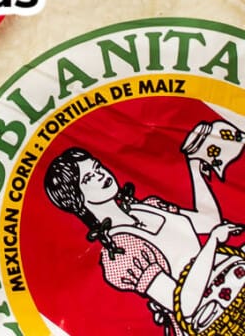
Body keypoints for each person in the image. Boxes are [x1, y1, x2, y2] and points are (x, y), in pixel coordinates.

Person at [44, 134, 245, 335]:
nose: (101, 175)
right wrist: (212, 243)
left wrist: (194, 165)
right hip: (215, 324)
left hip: (234, 283)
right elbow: (185, 305)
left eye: (98, 167)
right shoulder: (119, 254)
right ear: (78, 199)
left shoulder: (149, 206)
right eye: (89, 178)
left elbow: (209, 222)